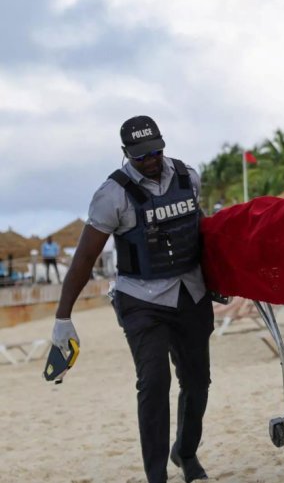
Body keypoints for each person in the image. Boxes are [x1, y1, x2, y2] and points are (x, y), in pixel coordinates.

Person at [50, 115, 214, 483]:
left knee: (198, 381)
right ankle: (156, 475)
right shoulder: (112, 195)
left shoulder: (189, 176)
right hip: (141, 299)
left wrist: (219, 277)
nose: (151, 159)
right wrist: (63, 317)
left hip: (191, 292)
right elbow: (85, 257)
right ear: (126, 153)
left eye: (156, 150)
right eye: (141, 155)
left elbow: (197, 230)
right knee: (154, 383)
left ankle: (185, 453)